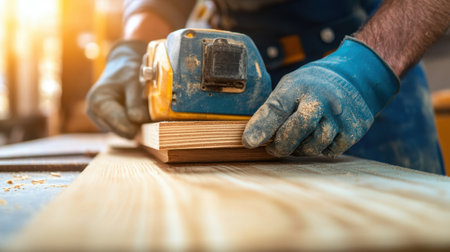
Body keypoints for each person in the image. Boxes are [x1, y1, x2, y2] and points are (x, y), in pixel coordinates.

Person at [86, 0, 450, 175]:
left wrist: (366, 70)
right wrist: (135, 50)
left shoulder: (365, 69)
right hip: (235, 83)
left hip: (365, 60)